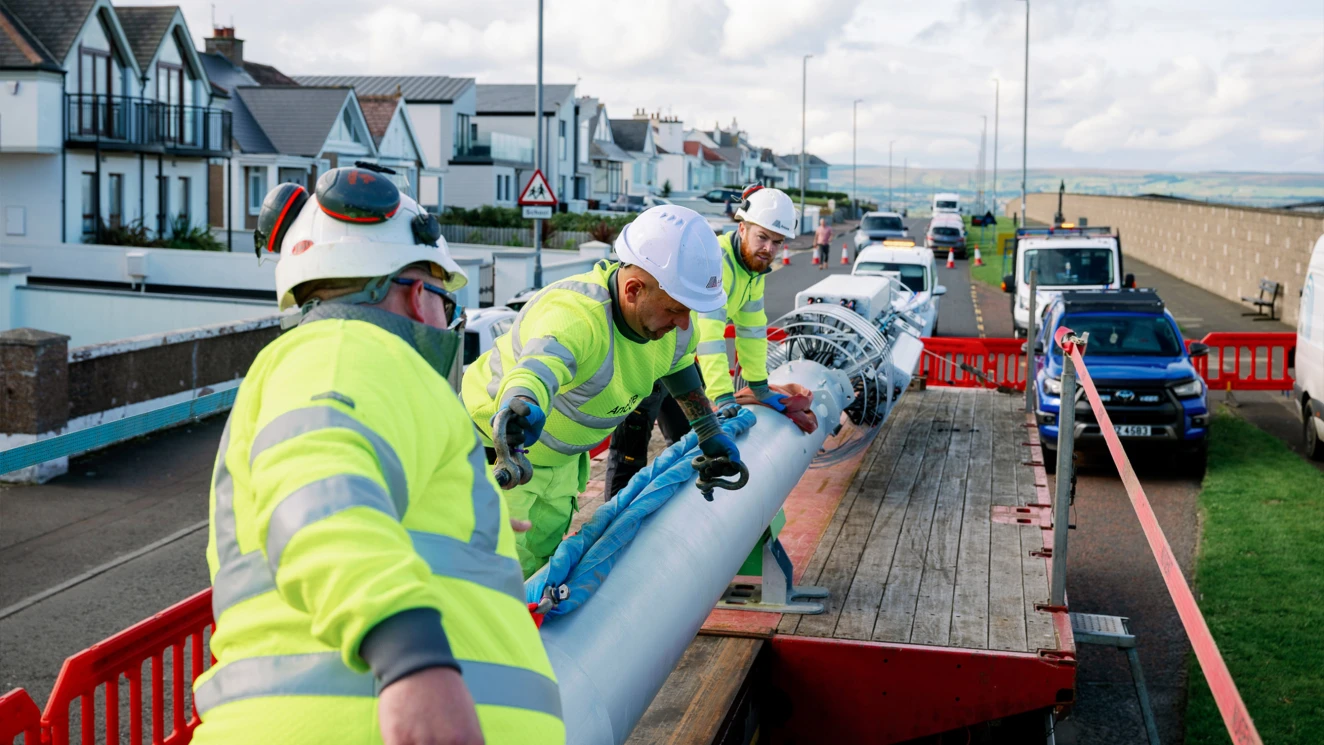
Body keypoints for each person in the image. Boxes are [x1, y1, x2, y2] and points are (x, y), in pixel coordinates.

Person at [193, 166, 562, 745]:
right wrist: (414, 664)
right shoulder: (342, 348)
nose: (448, 324)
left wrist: (472, 528)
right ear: (419, 295)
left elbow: (336, 490)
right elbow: (318, 487)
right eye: (447, 302)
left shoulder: (348, 365)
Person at [462, 205, 747, 578]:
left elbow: (679, 367)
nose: (683, 324)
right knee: (491, 583)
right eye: (676, 310)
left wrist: (709, 431)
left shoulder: (672, 327)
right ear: (633, 290)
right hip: (497, 458)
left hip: (558, 464)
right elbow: (539, 366)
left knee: (537, 569)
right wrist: (523, 403)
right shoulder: (577, 315)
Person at [695, 185, 794, 418]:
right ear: (742, 229)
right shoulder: (718, 263)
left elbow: (752, 331)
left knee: (686, 434)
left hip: (679, 359)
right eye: (762, 237)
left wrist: (759, 385)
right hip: (650, 348)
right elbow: (708, 335)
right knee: (631, 446)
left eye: (777, 242)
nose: (769, 249)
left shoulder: (753, 270)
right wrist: (722, 394)